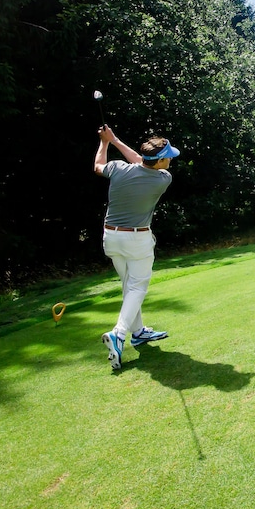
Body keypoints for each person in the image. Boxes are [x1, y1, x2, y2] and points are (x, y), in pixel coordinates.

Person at [94, 125, 179, 370]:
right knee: (137, 287)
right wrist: (115, 140)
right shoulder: (163, 179)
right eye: (168, 157)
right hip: (137, 239)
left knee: (128, 286)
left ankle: (139, 331)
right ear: (160, 161)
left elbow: (98, 166)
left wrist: (106, 142)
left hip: (111, 237)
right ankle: (119, 334)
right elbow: (141, 162)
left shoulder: (118, 169)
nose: (171, 161)